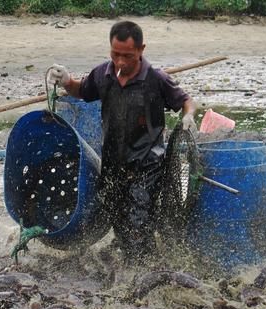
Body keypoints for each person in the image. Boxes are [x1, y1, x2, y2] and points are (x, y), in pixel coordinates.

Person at [47, 20, 197, 262]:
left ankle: (143, 268)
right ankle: (133, 260)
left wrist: (189, 115)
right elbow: (81, 90)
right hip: (114, 162)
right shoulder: (102, 75)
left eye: (127, 56)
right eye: (115, 54)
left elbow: (186, 101)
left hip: (148, 163)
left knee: (139, 218)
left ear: (141, 50)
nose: (120, 62)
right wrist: (66, 81)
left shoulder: (156, 80)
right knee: (117, 215)